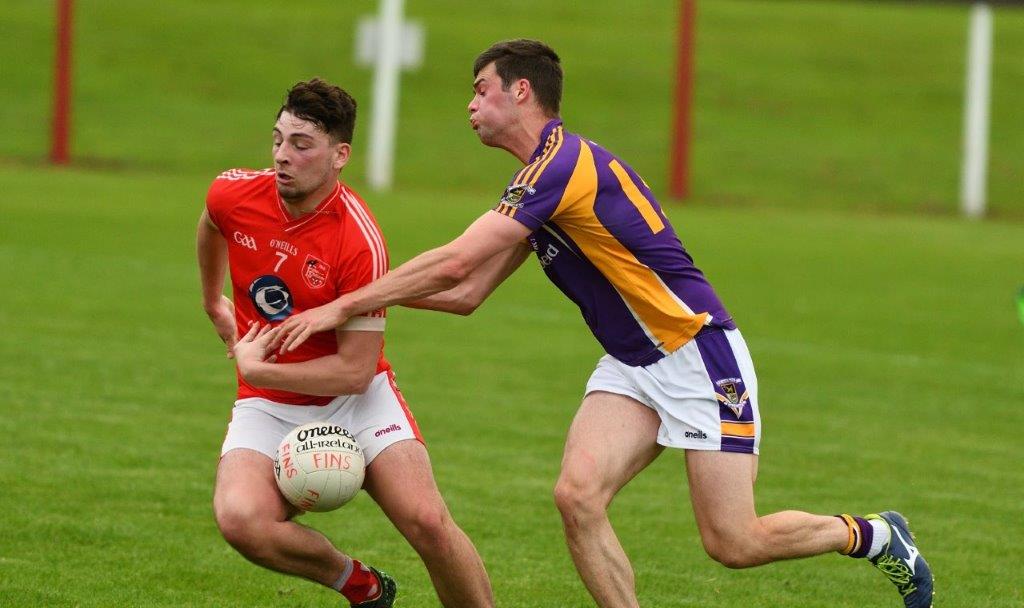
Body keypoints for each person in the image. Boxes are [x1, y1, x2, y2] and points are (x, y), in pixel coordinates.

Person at [270, 42, 934, 608]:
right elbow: (469, 292)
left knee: (734, 542)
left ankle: (873, 535)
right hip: (632, 364)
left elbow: (455, 260)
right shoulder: (536, 181)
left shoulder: (560, 169)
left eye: (480, 91)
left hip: (698, 355)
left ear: (520, 91)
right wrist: (359, 297)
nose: (470, 105)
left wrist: (339, 306)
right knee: (577, 496)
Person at [196, 78, 494, 608]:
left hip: (355, 399)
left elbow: (354, 372)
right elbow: (212, 223)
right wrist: (212, 299)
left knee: (427, 521)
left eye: (302, 144)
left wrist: (259, 370)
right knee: (241, 521)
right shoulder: (234, 192)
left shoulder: (358, 238)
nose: (283, 156)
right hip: (269, 406)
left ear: (340, 155)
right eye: (278, 139)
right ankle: (362, 587)